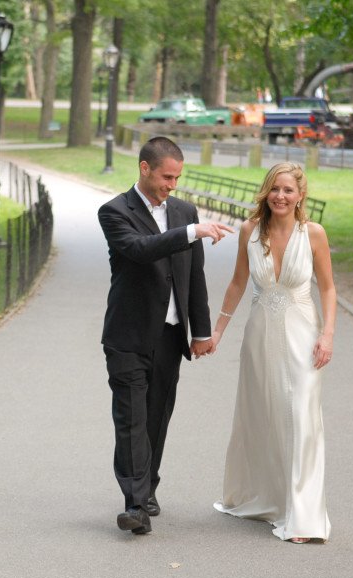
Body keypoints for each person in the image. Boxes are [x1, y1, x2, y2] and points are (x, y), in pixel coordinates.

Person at [98, 136, 235, 535]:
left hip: (170, 336)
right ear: (144, 168)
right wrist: (191, 232)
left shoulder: (183, 211)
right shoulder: (114, 211)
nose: (172, 185)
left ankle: (148, 485)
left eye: (177, 177)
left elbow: (194, 277)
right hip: (127, 335)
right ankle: (135, 504)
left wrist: (202, 331)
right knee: (131, 419)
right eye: (166, 176)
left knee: (156, 417)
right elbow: (139, 249)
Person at [210, 162, 336, 544]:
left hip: (304, 336)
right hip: (260, 335)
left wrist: (327, 334)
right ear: (266, 192)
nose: (280, 196)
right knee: (262, 415)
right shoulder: (250, 231)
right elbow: (237, 283)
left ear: (300, 196)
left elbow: (328, 289)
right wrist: (217, 331)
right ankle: (269, 498)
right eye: (274, 189)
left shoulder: (313, 233)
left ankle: (305, 518)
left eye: (288, 190)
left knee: (303, 418)